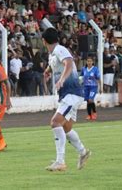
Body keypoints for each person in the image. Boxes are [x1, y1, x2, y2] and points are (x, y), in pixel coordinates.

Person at [41, 28, 91, 172]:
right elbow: (54, 65)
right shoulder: (54, 54)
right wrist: (47, 72)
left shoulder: (59, 49)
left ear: (44, 41)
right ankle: (83, 152)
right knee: (66, 128)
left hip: (72, 93)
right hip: (69, 94)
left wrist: (61, 79)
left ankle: (60, 161)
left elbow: (68, 62)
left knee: (55, 122)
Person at [81, 56, 102, 120]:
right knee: (88, 101)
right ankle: (89, 115)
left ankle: (94, 113)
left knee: (90, 100)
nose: (89, 62)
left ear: (92, 62)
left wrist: (101, 87)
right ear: (86, 62)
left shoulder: (95, 69)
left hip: (93, 86)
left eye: (90, 61)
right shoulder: (83, 69)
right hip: (86, 87)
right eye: (88, 61)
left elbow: (98, 79)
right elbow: (81, 77)